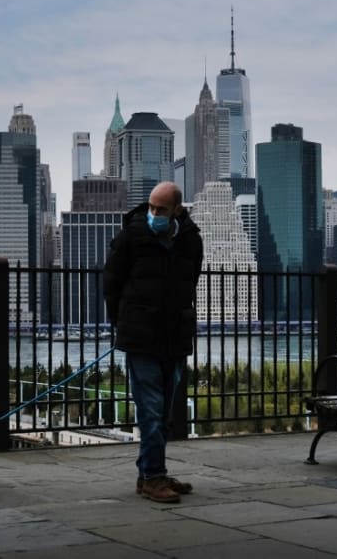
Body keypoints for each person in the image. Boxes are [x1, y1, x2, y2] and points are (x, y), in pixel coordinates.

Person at [103, 181, 203, 503]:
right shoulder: (131, 236)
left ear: (177, 209)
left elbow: (191, 282)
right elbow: (111, 284)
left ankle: (148, 472)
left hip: (174, 337)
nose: (154, 213)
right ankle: (154, 477)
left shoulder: (191, 240)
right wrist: (123, 324)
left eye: (161, 209)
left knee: (163, 412)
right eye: (151, 207)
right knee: (150, 409)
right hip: (141, 337)